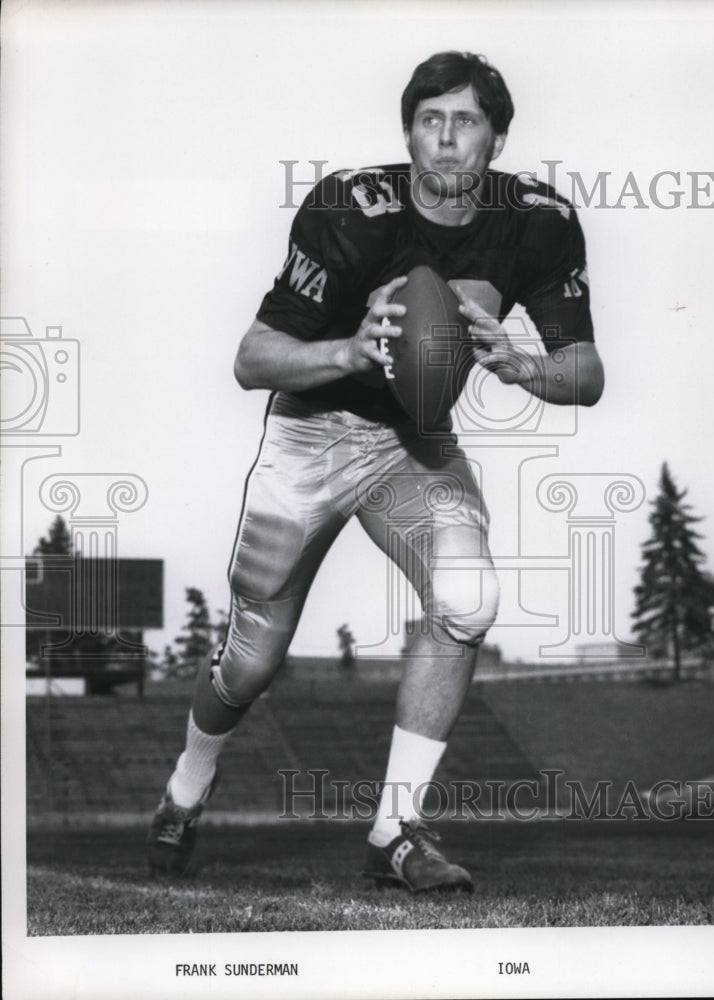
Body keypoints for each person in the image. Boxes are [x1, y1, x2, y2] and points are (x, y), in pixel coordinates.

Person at [147, 50, 604, 892]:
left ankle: (396, 829)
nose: (444, 139)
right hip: (312, 437)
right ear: (407, 132)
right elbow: (253, 358)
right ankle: (186, 786)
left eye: (464, 121)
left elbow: (586, 375)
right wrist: (349, 347)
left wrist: (519, 363)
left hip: (416, 442)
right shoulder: (351, 208)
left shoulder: (538, 221)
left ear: (497, 138)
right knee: (252, 662)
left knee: (468, 598)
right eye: (428, 120)